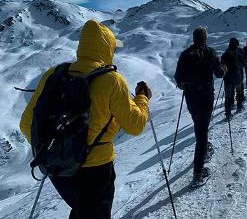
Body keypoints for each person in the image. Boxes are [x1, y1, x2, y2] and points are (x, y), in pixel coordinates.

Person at [19, 20, 151, 219]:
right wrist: (142, 98)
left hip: (58, 170)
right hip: (96, 170)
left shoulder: (54, 74)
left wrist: (58, 149)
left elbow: (25, 123)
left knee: (82, 212)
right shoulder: (112, 80)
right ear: (107, 48)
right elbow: (135, 125)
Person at [174, 26, 226, 187]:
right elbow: (219, 74)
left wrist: (187, 86)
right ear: (205, 38)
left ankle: (203, 151)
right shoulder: (211, 52)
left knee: (199, 126)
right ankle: (198, 172)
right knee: (202, 131)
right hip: (206, 96)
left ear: (193, 38)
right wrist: (224, 67)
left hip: (191, 97)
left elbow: (178, 78)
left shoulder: (185, 54)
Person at [221, 38, 245, 119]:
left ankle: (228, 113)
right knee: (239, 92)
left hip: (227, 78)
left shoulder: (224, 54)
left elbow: (222, 65)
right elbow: (243, 64)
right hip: (237, 76)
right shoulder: (237, 54)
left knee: (228, 96)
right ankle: (239, 106)